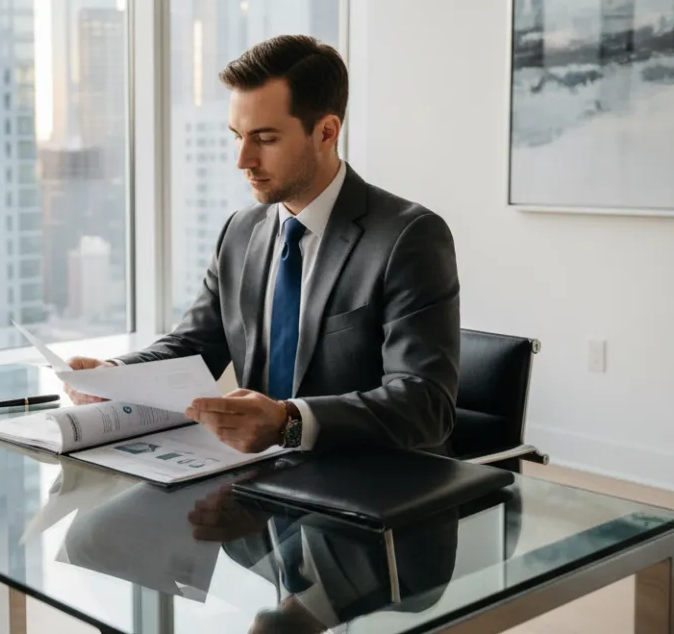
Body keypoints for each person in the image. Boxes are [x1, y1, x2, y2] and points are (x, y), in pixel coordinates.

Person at [67, 34, 460, 455]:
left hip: (366, 489)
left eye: (265, 139)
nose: (243, 160)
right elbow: (194, 347)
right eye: (237, 135)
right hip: (254, 481)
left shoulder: (408, 237)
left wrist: (289, 424)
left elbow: (425, 404)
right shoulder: (240, 231)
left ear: (326, 132)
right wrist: (114, 373)